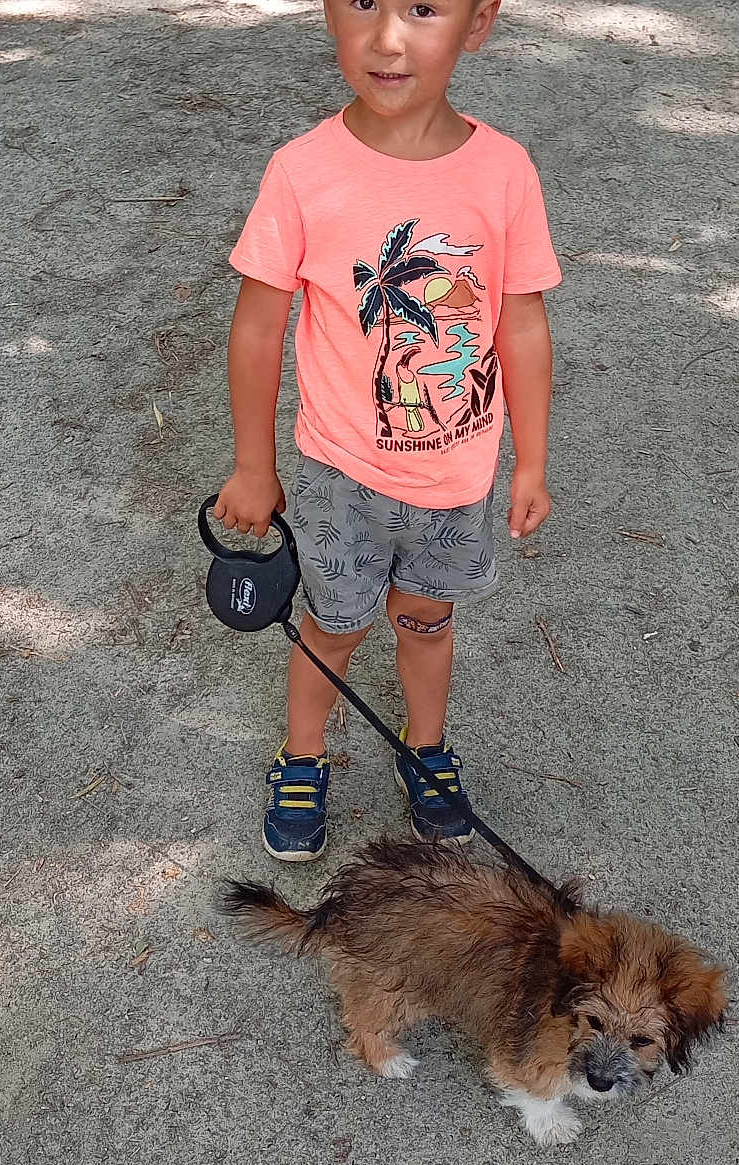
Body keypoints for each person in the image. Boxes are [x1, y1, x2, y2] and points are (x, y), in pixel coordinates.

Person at [213, 0, 559, 862]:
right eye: (363, 1)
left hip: (457, 478)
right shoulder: (302, 172)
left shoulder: (504, 172)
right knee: (333, 626)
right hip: (341, 477)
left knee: (427, 620)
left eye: (424, 8)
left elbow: (520, 323)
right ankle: (301, 757)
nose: (387, 37)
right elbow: (257, 326)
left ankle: (425, 747)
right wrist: (253, 467)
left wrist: (531, 459)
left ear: (477, 23)